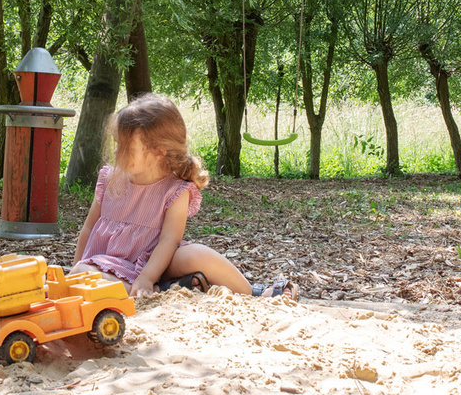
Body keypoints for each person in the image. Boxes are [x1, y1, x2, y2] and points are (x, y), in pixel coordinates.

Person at [72, 93, 297, 299]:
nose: (116, 153)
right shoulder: (110, 178)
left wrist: (148, 277)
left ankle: (254, 294)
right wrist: (74, 269)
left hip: (155, 263)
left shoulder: (175, 190)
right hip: (107, 265)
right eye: (117, 144)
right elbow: (89, 229)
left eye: (126, 148)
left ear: (159, 150)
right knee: (84, 274)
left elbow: (169, 241)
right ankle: (163, 291)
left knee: (198, 254)